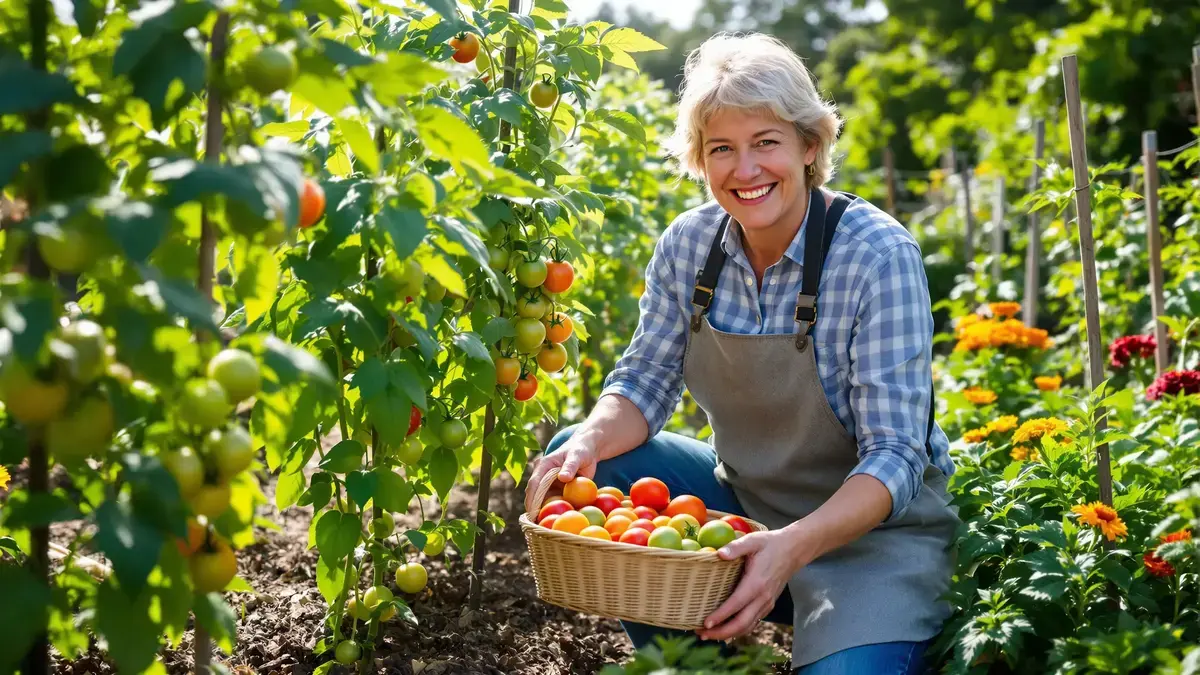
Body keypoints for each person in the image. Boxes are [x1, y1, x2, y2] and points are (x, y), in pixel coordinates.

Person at [525, 32, 959, 675]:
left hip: (871, 544)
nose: (745, 170)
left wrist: (790, 547)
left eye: (766, 143)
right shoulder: (689, 246)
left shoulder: (875, 256)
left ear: (810, 146)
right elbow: (645, 380)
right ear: (700, 160)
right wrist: (590, 437)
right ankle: (698, 659)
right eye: (722, 149)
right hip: (743, 508)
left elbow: (896, 455)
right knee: (594, 457)